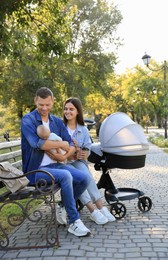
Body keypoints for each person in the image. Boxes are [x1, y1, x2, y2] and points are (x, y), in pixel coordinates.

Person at [21, 87, 92, 237]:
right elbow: (37, 144)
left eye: (48, 104)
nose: (44, 108)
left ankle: (63, 205)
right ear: (35, 101)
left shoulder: (57, 122)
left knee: (84, 178)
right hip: (35, 171)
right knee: (66, 175)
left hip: (56, 165)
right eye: (41, 104)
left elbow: (72, 145)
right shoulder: (28, 120)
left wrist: (62, 156)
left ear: (53, 102)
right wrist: (61, 145)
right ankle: (74, 222)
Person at [63, 97, 115, 224]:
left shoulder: (83, 129)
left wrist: (85, 152)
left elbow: (88, 147)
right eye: (65, 109)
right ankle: (92, 210)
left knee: (87, 176)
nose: (67, 111)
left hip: (78, 162)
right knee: (79, 178)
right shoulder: (60, 127)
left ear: (78, 112)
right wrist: (73, 152)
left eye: (71, 109)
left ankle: (101, 207)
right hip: (64, 163)